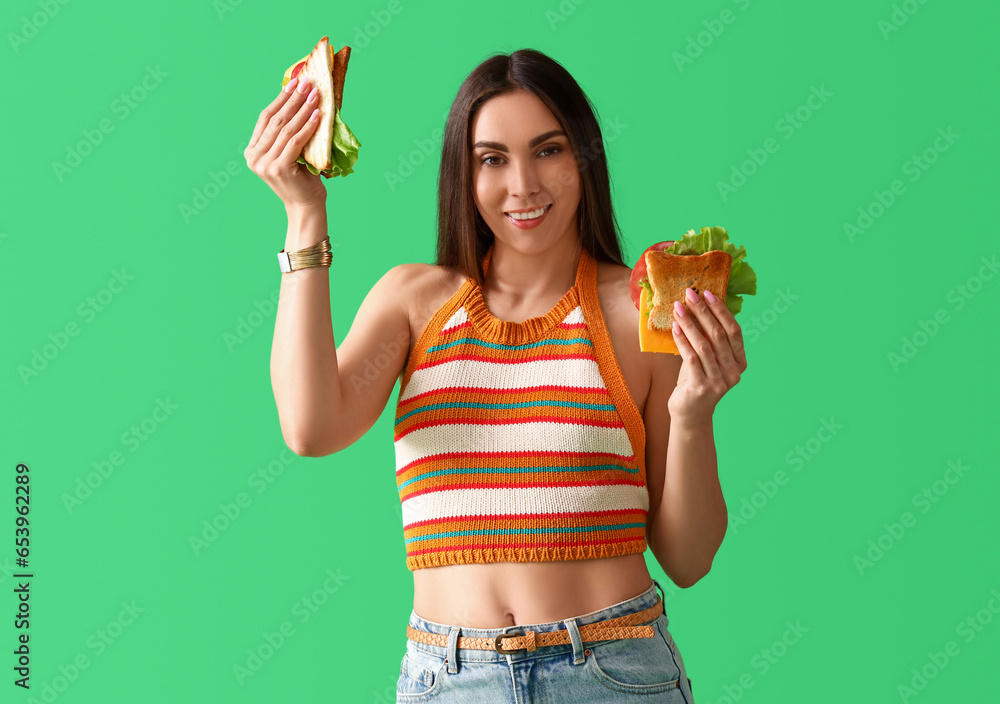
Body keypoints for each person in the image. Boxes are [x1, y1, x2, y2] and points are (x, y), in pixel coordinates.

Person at [245, 47, 747, 703]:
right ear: (464, 172)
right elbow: (310, 426)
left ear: (585, 160)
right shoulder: (413, 302)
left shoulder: (640, 311)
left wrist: (693, 413)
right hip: (448, 679)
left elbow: (689, 559)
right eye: (493, 159)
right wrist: (305, 215)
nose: (523, 186)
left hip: (612, 675)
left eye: (548, 151)